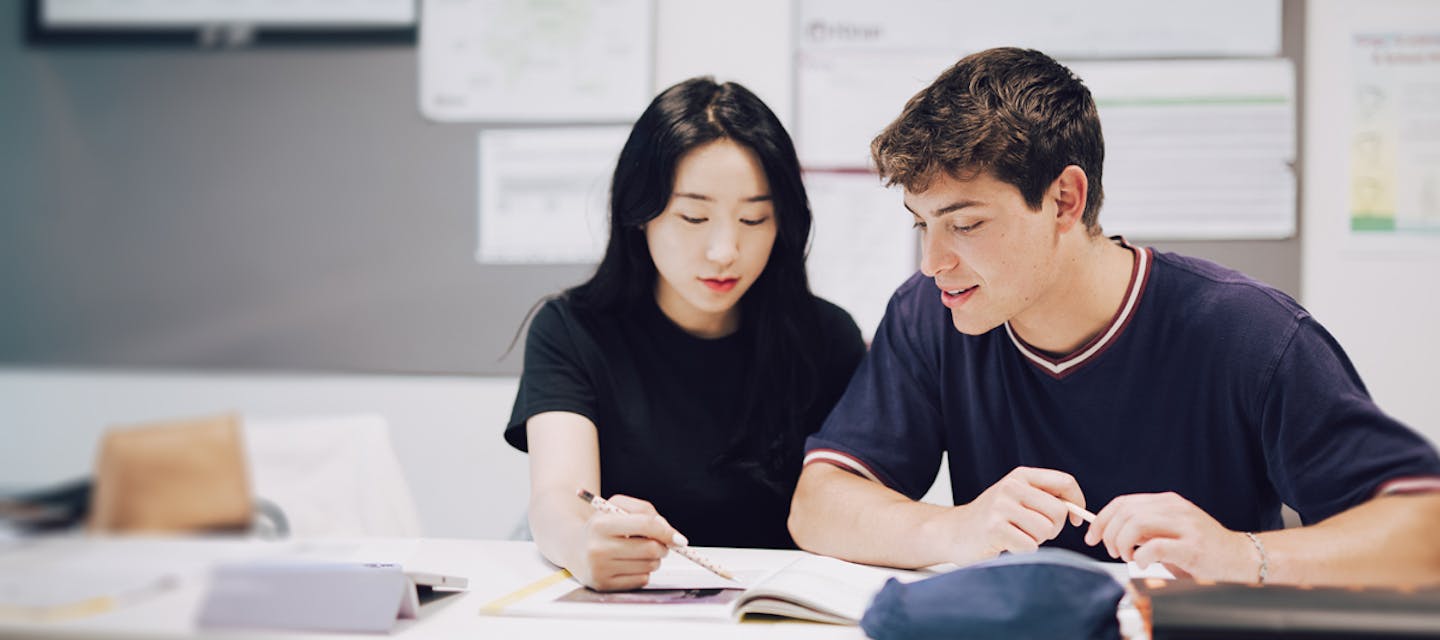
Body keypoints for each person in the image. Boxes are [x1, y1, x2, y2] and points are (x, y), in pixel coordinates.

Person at [789, 47, 1440, 585]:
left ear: (1065, 199)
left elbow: (1424, 529)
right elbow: (819, 505)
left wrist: (1243, 556)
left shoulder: (1247, 332)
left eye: (965, 224)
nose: (933, 261)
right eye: (923, 225)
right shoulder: (931, 314)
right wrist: (956, 528)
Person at [506, 77, 865, 591]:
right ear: (640, 214)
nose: (724, 249)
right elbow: (559, 497)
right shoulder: (573, 329)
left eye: (753, 218)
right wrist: (582, 544)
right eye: (694, 216)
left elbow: (852, 506)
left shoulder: (827, 339)